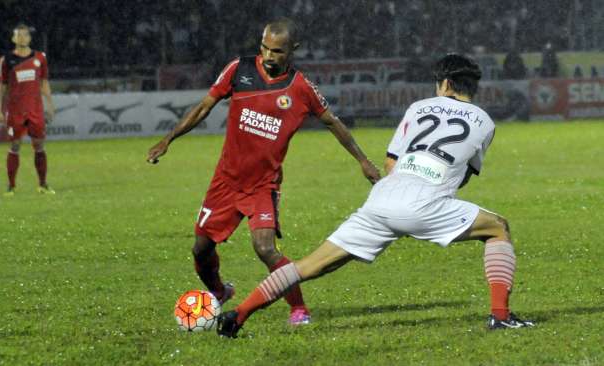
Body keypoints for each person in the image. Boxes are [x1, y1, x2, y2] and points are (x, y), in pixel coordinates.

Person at [218, 54, 535, 338]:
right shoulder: (485, 122)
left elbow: (390, 164)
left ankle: (239, 314)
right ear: (469, 86)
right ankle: (500, 317)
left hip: (383, 198)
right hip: (428, 203)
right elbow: (464, 174)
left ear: (445, 83)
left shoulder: (417, 107)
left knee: (312, 265)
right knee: (498, 228)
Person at [147, 18, 380, 325]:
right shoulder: (238, 70)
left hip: (262, 186)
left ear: (292, 50)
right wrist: (169, 139)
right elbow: (204, 106)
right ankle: (219, 291)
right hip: (226, 182)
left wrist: (362, 160)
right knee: (201, 249)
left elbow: (333, 123)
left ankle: (299, 309)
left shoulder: (301, 88)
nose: (269, 56)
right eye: (265, 48)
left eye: (278, 51)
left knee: (265, 248)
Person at [0, 23, 55, 196]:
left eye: (25, 35)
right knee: (14, 145)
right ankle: (11, 186)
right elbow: (2, 86)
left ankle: (43, 184)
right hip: (15, 111)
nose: (22, 38)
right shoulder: (6, 59)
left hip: (35, 110)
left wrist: (50, 105)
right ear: (13, 38)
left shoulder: (40, 58)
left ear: (30, 38)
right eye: (18, 35)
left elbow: (44, 83)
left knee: (39, 145)